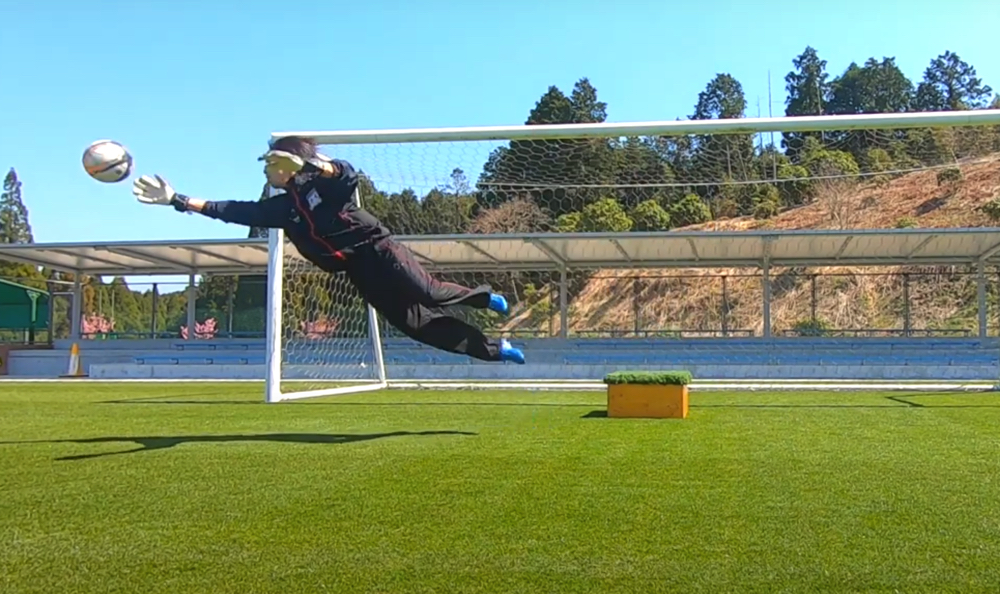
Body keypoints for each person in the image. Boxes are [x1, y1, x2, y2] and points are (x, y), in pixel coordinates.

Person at [130, 136, 525, 365]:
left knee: (428, 292)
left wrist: (312, 163)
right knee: (415, 325)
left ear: (289, 163)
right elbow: (234, 210)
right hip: (358, 271)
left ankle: (485, 298)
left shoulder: (324, 183)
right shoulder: (281, 208)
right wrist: (178, 200)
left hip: (379, 250)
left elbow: (346, 173)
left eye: (270, 163)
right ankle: (496, 350)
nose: (265, 169)